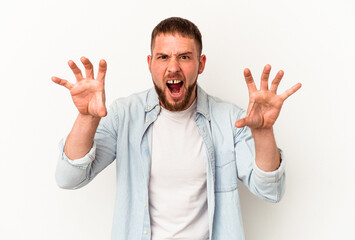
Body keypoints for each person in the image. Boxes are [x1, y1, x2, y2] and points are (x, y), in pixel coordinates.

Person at [52, 17, 301, 240]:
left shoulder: (230, 119)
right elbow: (68, 178)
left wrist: (264, 132)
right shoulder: (124, 115)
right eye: (163, 57)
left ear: (200, 63)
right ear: (150, 63)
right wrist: (86, 117)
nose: (173, 67)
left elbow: (271, 191)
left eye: (184, 56)